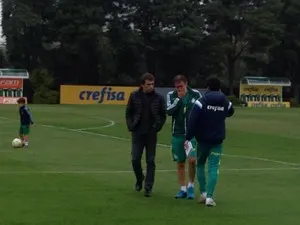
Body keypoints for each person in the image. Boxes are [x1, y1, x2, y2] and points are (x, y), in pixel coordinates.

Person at [185, 76, 234, 207]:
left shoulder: (201, 102)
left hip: (203, 139)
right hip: (217, 140)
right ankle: (210, 198)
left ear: (207, 87)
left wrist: (188, 137)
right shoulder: (225, 102)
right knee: (214, 168)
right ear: (219, 88)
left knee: (200, 164)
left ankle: (203, 193)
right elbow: (230, 111)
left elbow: (192, 121)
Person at [125, 73, 166, 197]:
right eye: (148, 84)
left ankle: (148, 187)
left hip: (151, 133)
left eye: (152, 84)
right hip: (137, 132)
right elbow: (129, 113)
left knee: (150, 160)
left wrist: (157, 127)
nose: (151, 87)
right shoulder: (134, 96)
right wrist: (131, 125)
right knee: (135, 159)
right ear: (142, 85)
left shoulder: (159, 97)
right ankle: (139, 178)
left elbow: (163, 115)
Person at [166, 75, 202, 199]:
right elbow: (169, 111)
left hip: (191, 134)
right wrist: (178, 100)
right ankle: (183, 188)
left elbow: (201, 110)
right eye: (177, 87)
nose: (179, 89)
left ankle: (191, 185)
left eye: (181, 86)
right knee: (180, 162)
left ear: (186, 84)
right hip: (177, 133)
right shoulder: (171, 95)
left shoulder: (195, 94)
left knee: (192, 159)